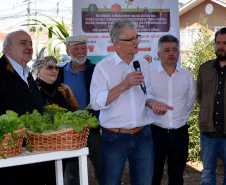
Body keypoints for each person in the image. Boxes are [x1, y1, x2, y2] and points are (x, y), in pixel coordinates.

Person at [90, 18, 172, 185]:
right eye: (131, 39)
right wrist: (124, 85)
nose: (136, 42)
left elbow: (146, 92)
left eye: (137, 37)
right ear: (116, 43)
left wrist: (152, 103)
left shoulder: (142, 63)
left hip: (143, 135)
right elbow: (96, 103)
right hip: (114, 136)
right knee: (111, 182)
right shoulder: (103, 68)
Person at [147, 35, 196, 185]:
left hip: (180, 133)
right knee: (154, 175)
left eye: (175, 50)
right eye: (167, 50)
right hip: (156, 133)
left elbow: (190, 102)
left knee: (177, 176)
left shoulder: (187, 76)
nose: (171, 53)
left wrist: (178, 118)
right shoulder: (149, 75)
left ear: (179, 53)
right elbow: (145, 98)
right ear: (158, 54)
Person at [0, 30, 45, 185]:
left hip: (30, 152)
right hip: (9, 155)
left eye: (31, 43)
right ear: (8, 49)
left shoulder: (26, 73)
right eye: (23, 43)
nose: (29, 47)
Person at [58, 35, 102, 184]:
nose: (80, 52)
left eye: (83, 48)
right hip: (71, 131)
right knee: (73, 171)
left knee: (102, 166)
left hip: (93, 128)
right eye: (76, 49)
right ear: (68, 51)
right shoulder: (60, 73)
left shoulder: (96, 71)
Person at [196, 27, 226, 185]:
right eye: (218, 43)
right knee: (207, 173)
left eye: (225, 43)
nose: (220, 46)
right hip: (208, 132)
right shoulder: (204, 68)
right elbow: (199, 96)